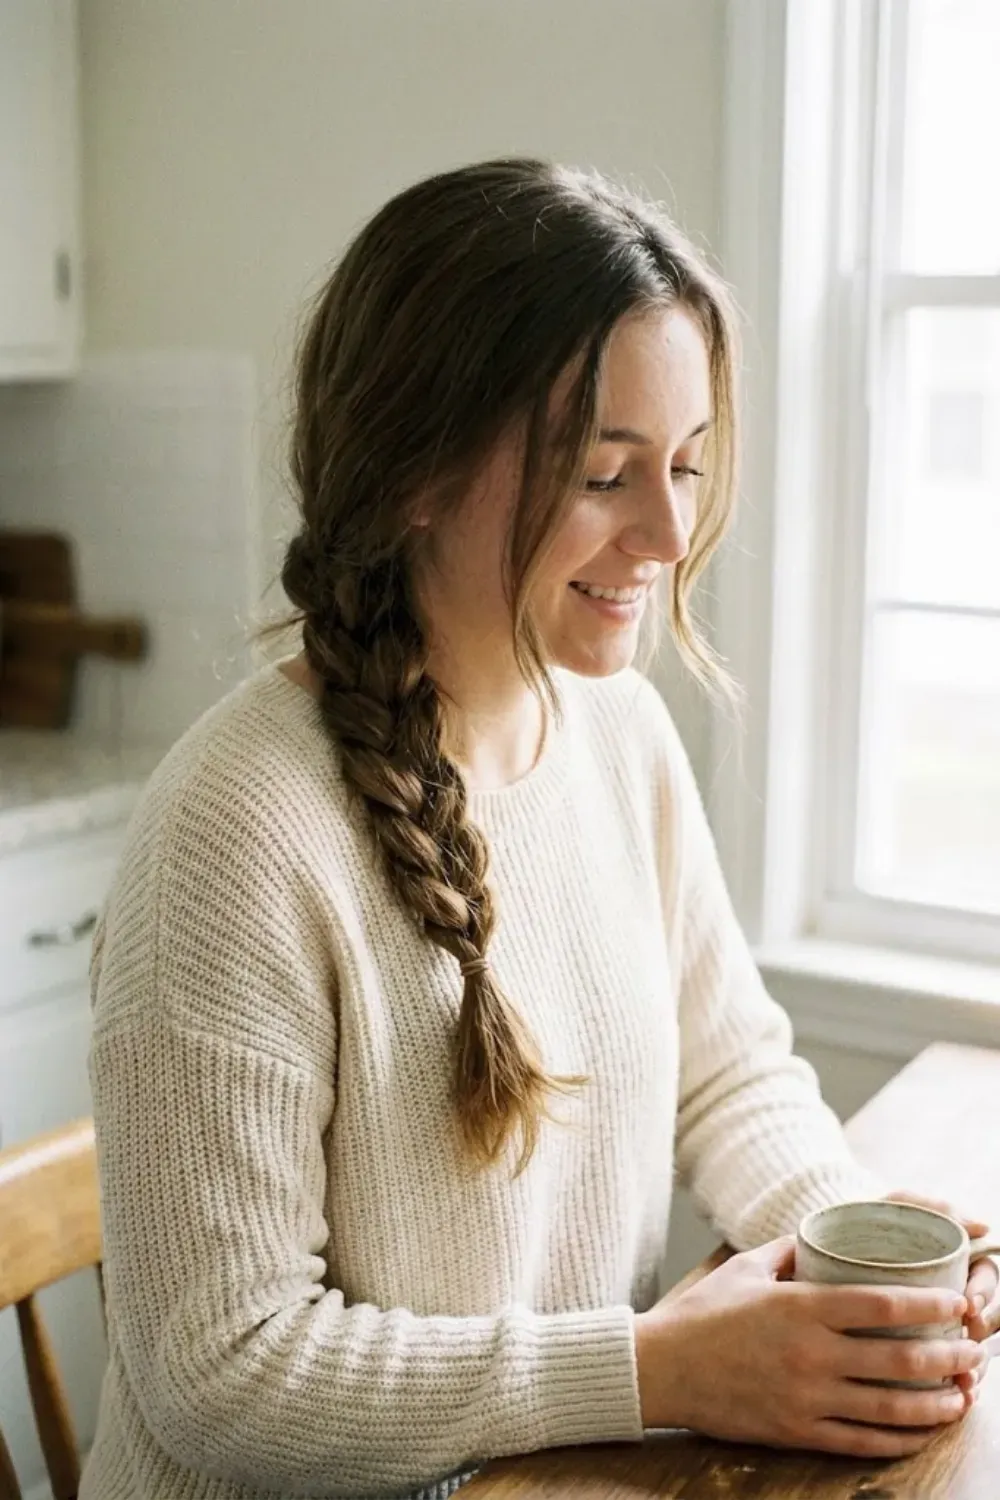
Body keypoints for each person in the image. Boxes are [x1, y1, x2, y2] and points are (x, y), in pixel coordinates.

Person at [80, 158, 997, 1500]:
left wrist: (847, 1243)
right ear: (416, 474)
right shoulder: (233, 834)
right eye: (605, 474)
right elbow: (223, 1373)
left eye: (685, 466)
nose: (671, 531)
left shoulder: (620, 736)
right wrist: (657, 1369)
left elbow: (727, 1073)